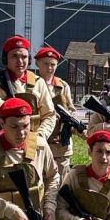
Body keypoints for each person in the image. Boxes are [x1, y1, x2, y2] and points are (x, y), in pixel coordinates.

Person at [34, 45, 80, 176]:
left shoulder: (62, 85)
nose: (49, 68)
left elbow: (71, 108)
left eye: (53, 64)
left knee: (60, 179)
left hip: (60, 144)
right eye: (46, 64)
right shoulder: (32, 84)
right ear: (37, 63)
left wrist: (70, 116)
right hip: (39, 137)